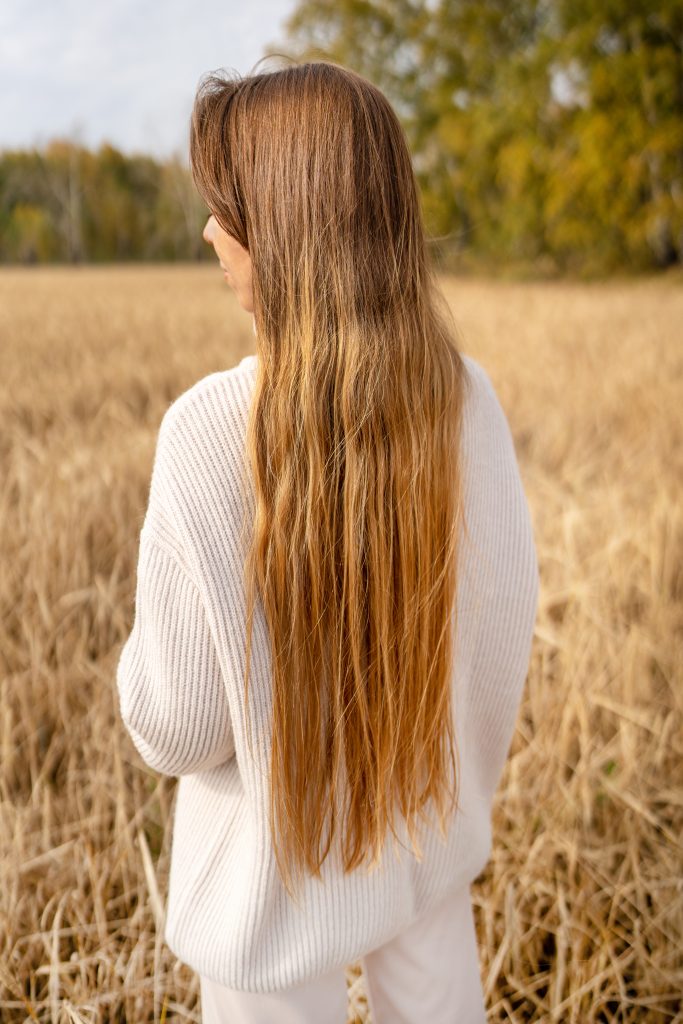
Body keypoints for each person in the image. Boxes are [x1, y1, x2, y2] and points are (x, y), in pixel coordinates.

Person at [116, 59, 539, 1023]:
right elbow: (504, 624)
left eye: (226, 211)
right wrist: (449, 784)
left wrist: (144, 669)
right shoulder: (466, 398)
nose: (208, 233)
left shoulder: (206, 434)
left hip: (264, 907)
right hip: (424, 842)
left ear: (289, 232)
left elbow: (173, 725)